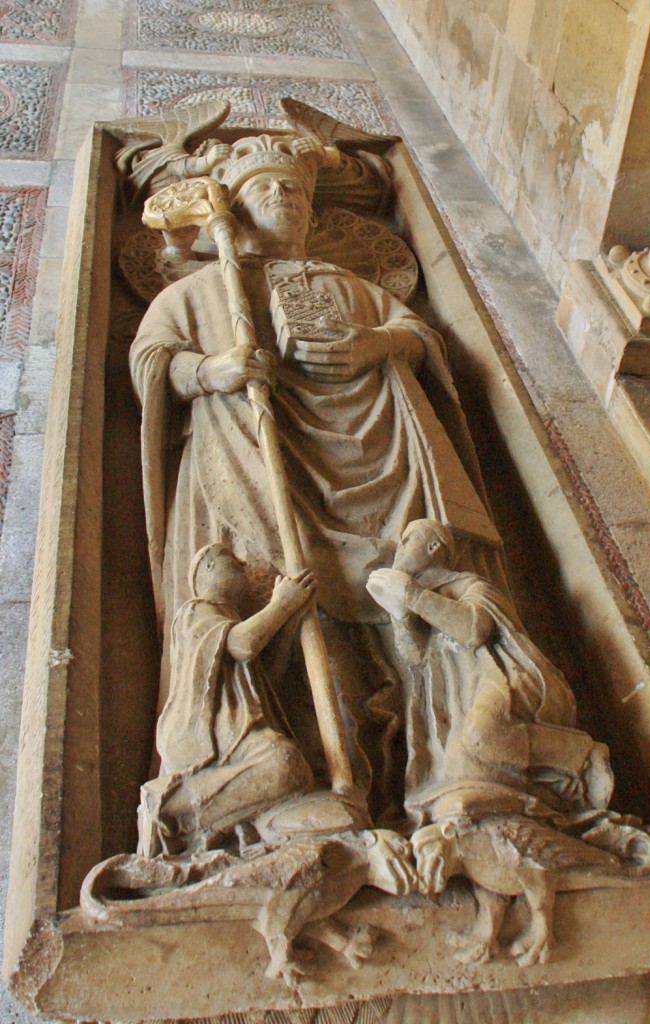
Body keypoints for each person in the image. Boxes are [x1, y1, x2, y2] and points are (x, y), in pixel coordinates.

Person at [130, 131, 504, 817]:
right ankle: (300, 771)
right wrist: (213, 370)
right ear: (236, 209)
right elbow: (153, 360)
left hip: (371, 460)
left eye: (297, 191)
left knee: (391, 600)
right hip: (250, 462)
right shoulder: (203, 291)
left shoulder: (350, 286)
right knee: (289, 596)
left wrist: (375, 343)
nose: (286, 199)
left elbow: (421, 339)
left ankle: (432, 763)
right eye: (268, 189)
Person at [367, 519, 615, 825]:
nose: (399, 548)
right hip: (466, 696)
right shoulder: (422, 598)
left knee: (481, 738)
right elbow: (416, 656)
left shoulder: (470, 585)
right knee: (464, 770)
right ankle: (548, 798)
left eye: (407, 540)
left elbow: (475, 629)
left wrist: (412, 595)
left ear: (433, 547)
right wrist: (400, 614)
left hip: (507, 679)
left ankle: (580, 754)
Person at [138, 543, 317, 856]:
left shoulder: (232, 619)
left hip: (239, 732)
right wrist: (281, 606)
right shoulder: (196, 611)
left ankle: (200, 821)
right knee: (285, 765)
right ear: (207, 567)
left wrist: (291, 620)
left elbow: (266, 680)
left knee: (291, 768)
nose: (242, 562)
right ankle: (170, 810)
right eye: (230, 559)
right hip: (211, 737)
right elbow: (242, 644)